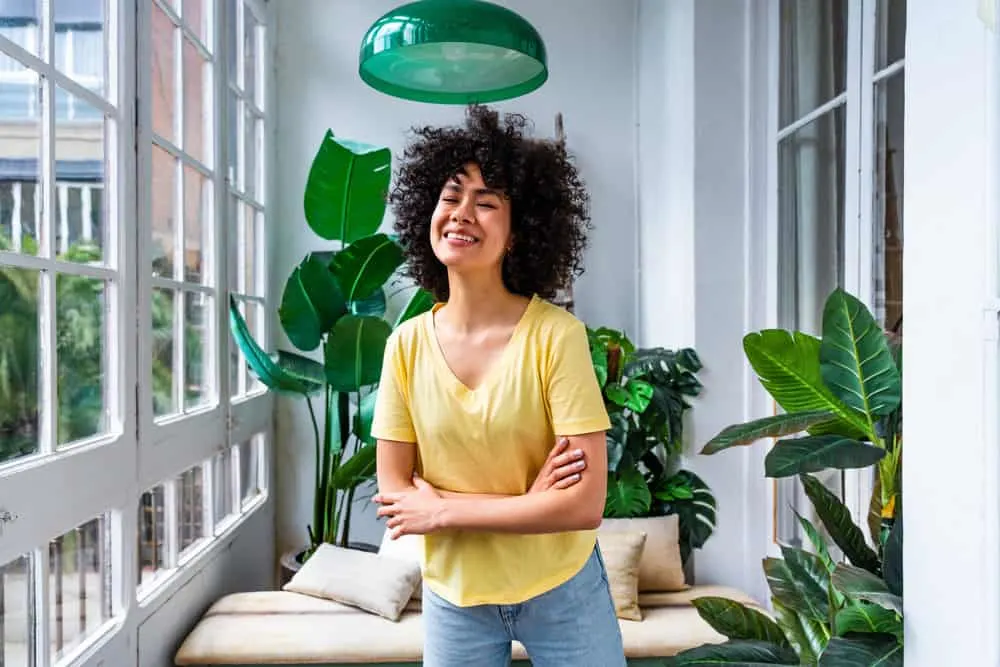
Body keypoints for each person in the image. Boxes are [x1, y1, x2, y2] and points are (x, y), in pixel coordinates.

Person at [371, 105, 625, 667]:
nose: (462, 213)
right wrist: (529, 503)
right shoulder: (406, 346)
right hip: (455, 596)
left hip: (563, 588)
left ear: (517, 235)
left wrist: (443, 511)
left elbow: (584, 504)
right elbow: (394, 494)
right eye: (451, 196)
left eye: (487, 203)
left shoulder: (556, 337)